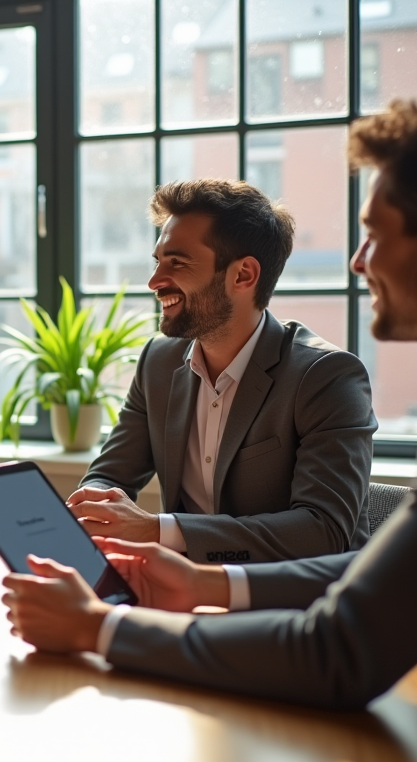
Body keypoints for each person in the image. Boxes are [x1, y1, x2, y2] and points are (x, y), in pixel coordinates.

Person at [2, 89, 417, 746]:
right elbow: (394, 572)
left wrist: (100, 627)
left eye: (375, 235)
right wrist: (204, 583)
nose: (358, 261)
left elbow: (337, 644)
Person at [68, 179, 376, 563]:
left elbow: (323, 531)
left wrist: (157, 529)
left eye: (177, 263)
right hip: (178, 587)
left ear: (243, 275)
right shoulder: (158, 362)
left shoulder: (326, 377)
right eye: (158, 261)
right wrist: (94, 504)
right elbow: (112, 473)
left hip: (293, 595)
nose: (154, 281)